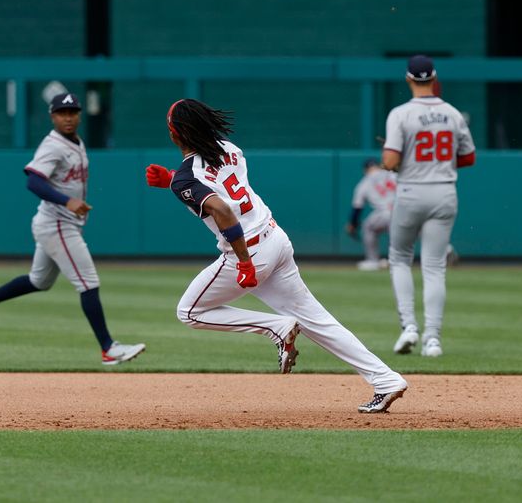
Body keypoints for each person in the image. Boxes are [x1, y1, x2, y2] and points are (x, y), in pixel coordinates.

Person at [145, 98, 408, 413]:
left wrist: (243, 261)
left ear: (175, 135)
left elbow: (222, 208)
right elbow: (216, 179)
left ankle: (276, 327)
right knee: (319, 321)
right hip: (275, 239)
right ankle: (385, 379)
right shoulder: (228, 147)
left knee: (189, 312)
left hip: (248, 251)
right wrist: (174, 179)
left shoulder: (188, 177)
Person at [0, 93, 146, 366]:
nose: (68, 117)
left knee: (39, 281)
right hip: (57, 224)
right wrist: (67, 200)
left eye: (72, 112)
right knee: (88, 282)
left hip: (60, 223)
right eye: (62, 113)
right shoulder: (53, 145)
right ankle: (108, 348)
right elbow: (33, 183)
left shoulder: (76, 142)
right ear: (52, 116)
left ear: (80, 115)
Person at [382, 55, 476, 358]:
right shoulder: (452, 113)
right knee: (435, 267)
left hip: (411, 191)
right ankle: (433, 339)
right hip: (444, 192)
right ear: (433, 79)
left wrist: (397, 157)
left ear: (409, 79)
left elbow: (390, 161)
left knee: (399, 258)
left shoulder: (400, 113)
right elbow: (468, 158)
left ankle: (409, 326)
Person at [346, 158, 396, 271]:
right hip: (402, 212)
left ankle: (373, 261)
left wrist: (352, 224)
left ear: (365, 170)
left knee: (367, 227)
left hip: (384, 214)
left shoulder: (364, 183)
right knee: (412, 232)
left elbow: (357, 207)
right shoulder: (392, 175)